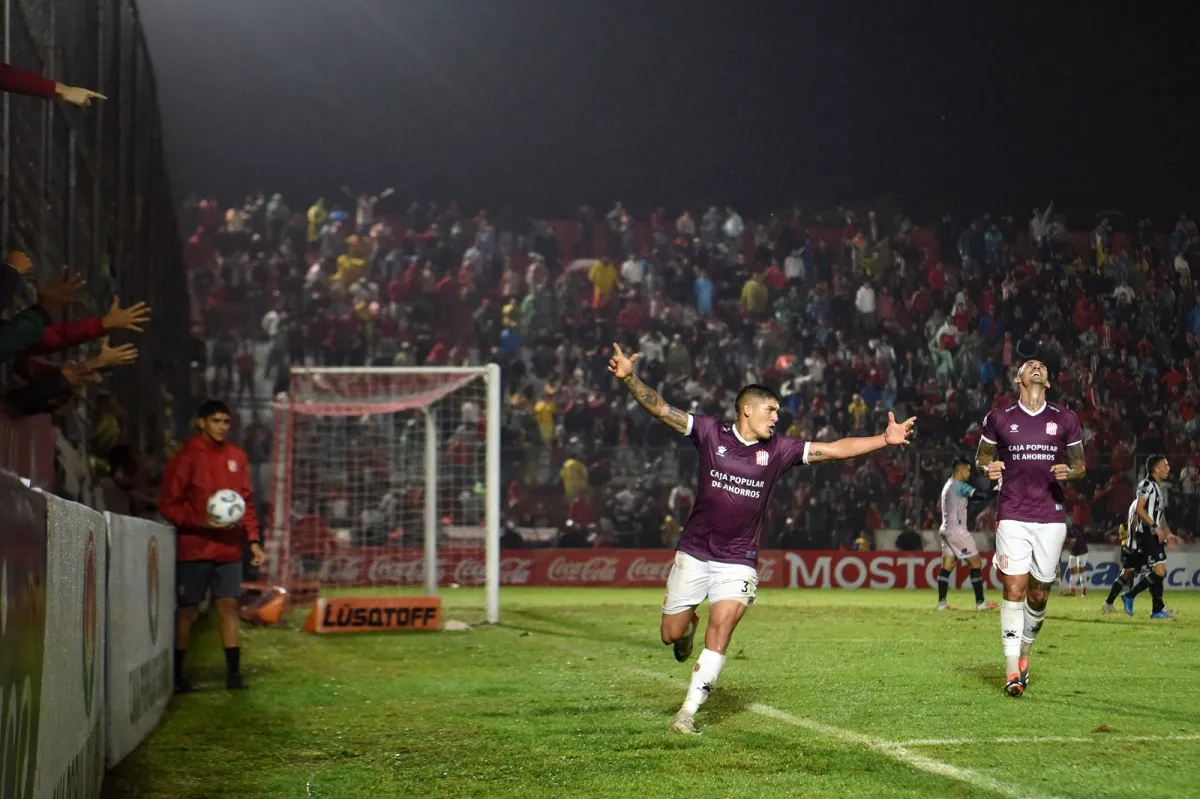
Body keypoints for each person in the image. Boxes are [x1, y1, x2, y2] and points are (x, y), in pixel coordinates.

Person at [607, 343, 915, 734]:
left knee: (722, 628)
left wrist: (883, 440)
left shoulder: (781, 450)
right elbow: (661, 408)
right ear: (747, 410)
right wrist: (630, 378)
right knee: (670, 634)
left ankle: (687, 712)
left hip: (738, 558)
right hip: (695, 551)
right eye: (770, 410)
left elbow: (834, 449)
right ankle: (685, 632)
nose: (776, 417)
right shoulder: (708, 432)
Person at [974, 359, 1085, 697]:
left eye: (1042, 366)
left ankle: (1025, 651)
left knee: (1039, 593)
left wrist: (1072, 471)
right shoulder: (999, 418)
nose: (1037, 367)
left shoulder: (1065, 418)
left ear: (1047, 381)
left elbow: (1080, 463)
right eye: (1030, 365)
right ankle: (1011, 670)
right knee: (1014, 588)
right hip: (1012, 511)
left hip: (1051, 515)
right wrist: (987, 467)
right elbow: (981, 458)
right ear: (1018, 378)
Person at [159, 399, 265, 691]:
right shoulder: (185, 458)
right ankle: (177, 676)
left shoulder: (237, 457)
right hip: (194, 548)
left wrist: (253, 540)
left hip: (229, 548)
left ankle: (233, 675)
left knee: (229, 606)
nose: (221, 427)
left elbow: (246, 502)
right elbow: (168, 505)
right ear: (201, 422)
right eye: (216, 421)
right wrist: (200, 522)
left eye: (226, 422)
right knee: (188, 610)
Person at [1103, 456, 1178, 619]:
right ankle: (1121, 599)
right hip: (1140, 541)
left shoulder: (1157, 489)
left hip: (1150, 536)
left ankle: (1158, 608)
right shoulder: (1145, 487)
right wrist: (1152, 530)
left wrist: (1168, 531)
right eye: (1165, 465)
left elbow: (1160, 515)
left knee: (1157, 571)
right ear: (1156, 469)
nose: (1168, 468)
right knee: (1143, 572)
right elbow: (1137, 516)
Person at [935, 458, 997, 611]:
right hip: (956, 530)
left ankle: (942, 603)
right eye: (968, 470)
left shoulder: (948, 485)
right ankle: (980, 603)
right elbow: (981, 496)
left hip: (945, 529)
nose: (969, 473)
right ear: (960, 470)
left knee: (948, 566)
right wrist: (997, 489)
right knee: (976, 563)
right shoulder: (959, 486)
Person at [1060, 526, 1089, 597]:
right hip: (1073, 552)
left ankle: (1084, 593)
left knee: (1080, 570)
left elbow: (1072, 543)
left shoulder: (1070, 530)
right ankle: (1072, 592)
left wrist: (1063, 547)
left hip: (1082, 551)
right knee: (1073, 572)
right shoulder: (1062, 532)